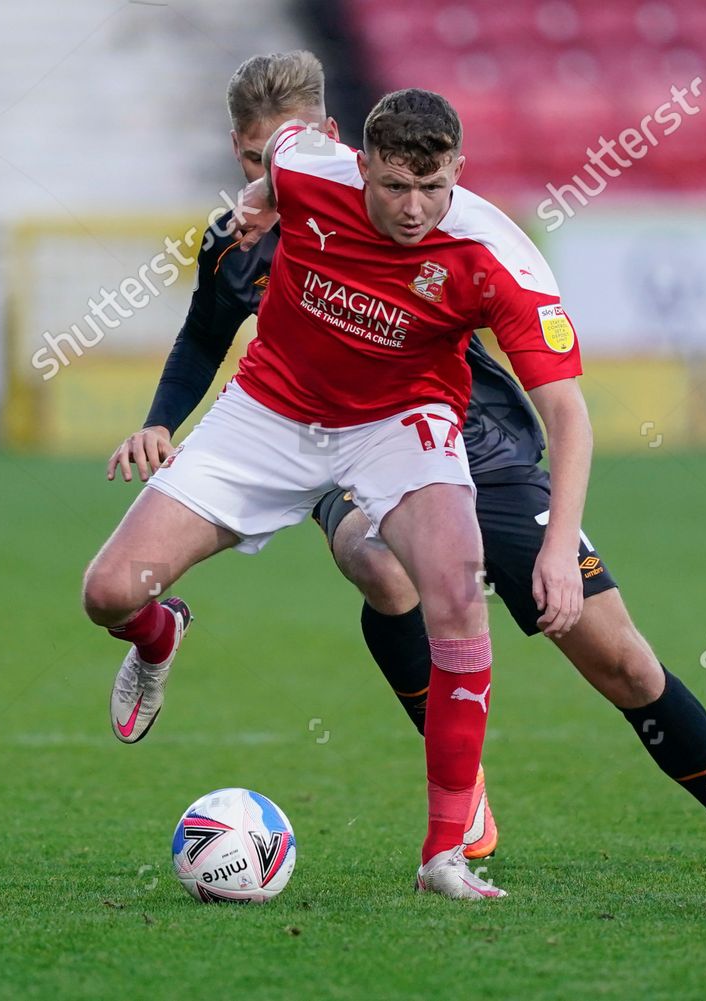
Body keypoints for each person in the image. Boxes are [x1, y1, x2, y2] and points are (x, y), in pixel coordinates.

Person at [111, 51, 706, 882]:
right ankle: (459, 790)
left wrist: (558, 546)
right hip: (335, 440)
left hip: (473, 440)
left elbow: (567, 408)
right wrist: (162, 419)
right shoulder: (248, 234)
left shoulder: (430, 227)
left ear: (332, 144)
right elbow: (206, 331)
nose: (259, 173)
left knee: (621, 657)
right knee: (382, 567)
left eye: (270, 159)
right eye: (248, 159)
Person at [87, 78, 596, 898]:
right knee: (107, 591)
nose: (413, 208)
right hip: (268, 411)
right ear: (362, 168)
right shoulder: (306, 165)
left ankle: (444, 855)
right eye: (394, 186)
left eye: (434, 187)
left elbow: (569, 414)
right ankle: (158, 635)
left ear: (459, 170)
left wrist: (561, 550)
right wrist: (257, 204)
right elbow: (275, 167)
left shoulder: (493, 253)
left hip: (401, 422)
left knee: (457, 595)